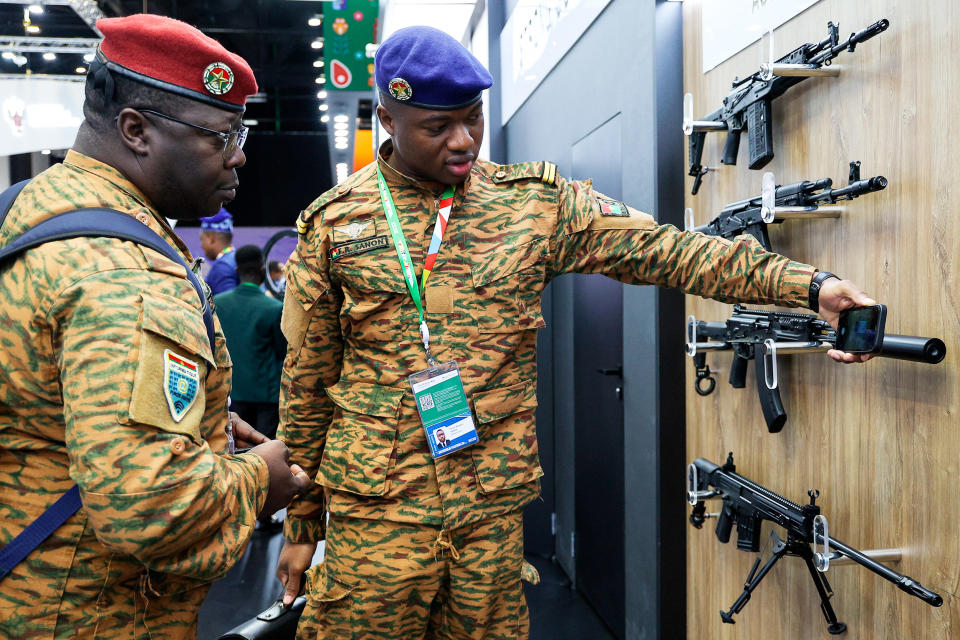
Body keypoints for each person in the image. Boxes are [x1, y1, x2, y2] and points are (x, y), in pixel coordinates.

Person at [275, 25, 874, 639]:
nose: (464, 141)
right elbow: (308, 382)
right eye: (437, 127)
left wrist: (807, 286)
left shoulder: (532, 203)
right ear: (389, 120)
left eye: (474, 118)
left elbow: (669, 251)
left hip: (488, 509)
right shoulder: (336, 225)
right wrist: (301, 523)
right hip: (377, 515)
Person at [0, 14, 309, 639]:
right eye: (221, 136)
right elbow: (151, 507)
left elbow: (42, 395)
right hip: (92, 614)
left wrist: (201, 425)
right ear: (136, 131)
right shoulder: (129, 273)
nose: (240, 154)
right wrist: (263, 478)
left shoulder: (33, 207)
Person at [214, 245, 286, 440]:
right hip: (266, 396)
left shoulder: (218, 303)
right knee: (264, 446)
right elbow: (282, 352)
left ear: (237, 271)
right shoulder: (274, 308)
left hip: (232, 393)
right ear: (263, 271)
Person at [200, 207, 238, 294]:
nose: (201, 245)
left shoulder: (222, 267)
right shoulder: (235, 259)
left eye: (202, 239)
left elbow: (228, 305)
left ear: (211, 239)